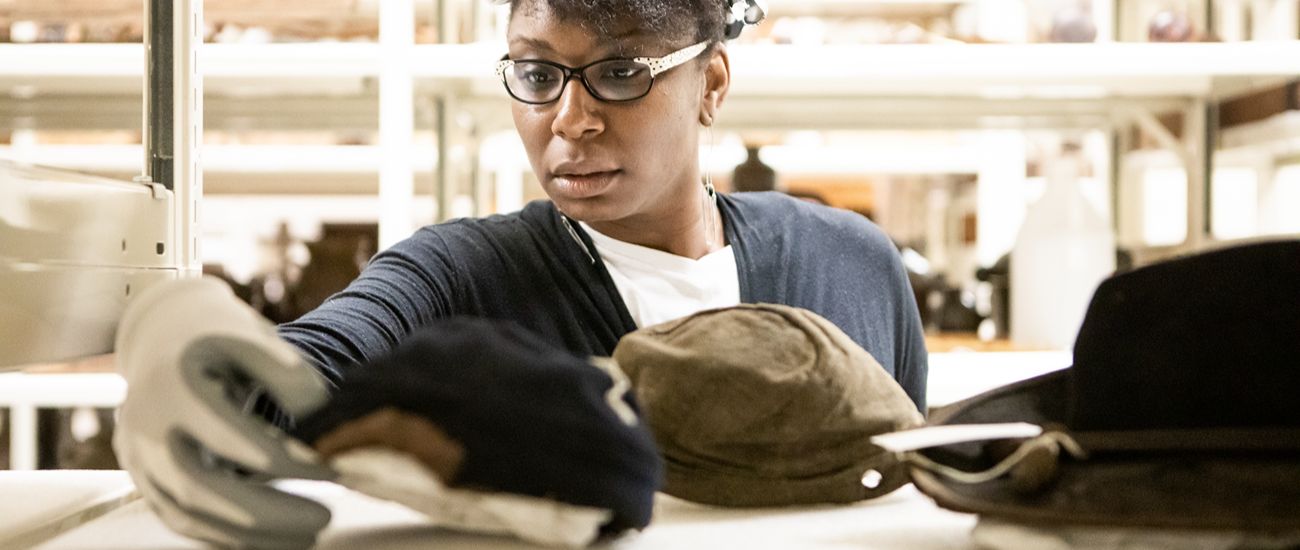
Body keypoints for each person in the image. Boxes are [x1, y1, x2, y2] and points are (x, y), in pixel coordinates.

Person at [114, 0, 929, 546]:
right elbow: (294, 377)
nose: (569, 121)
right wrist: (173, 329)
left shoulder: (850, 264)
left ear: (710, 83)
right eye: (538, 76)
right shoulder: (460, 275)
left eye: (620, 73)